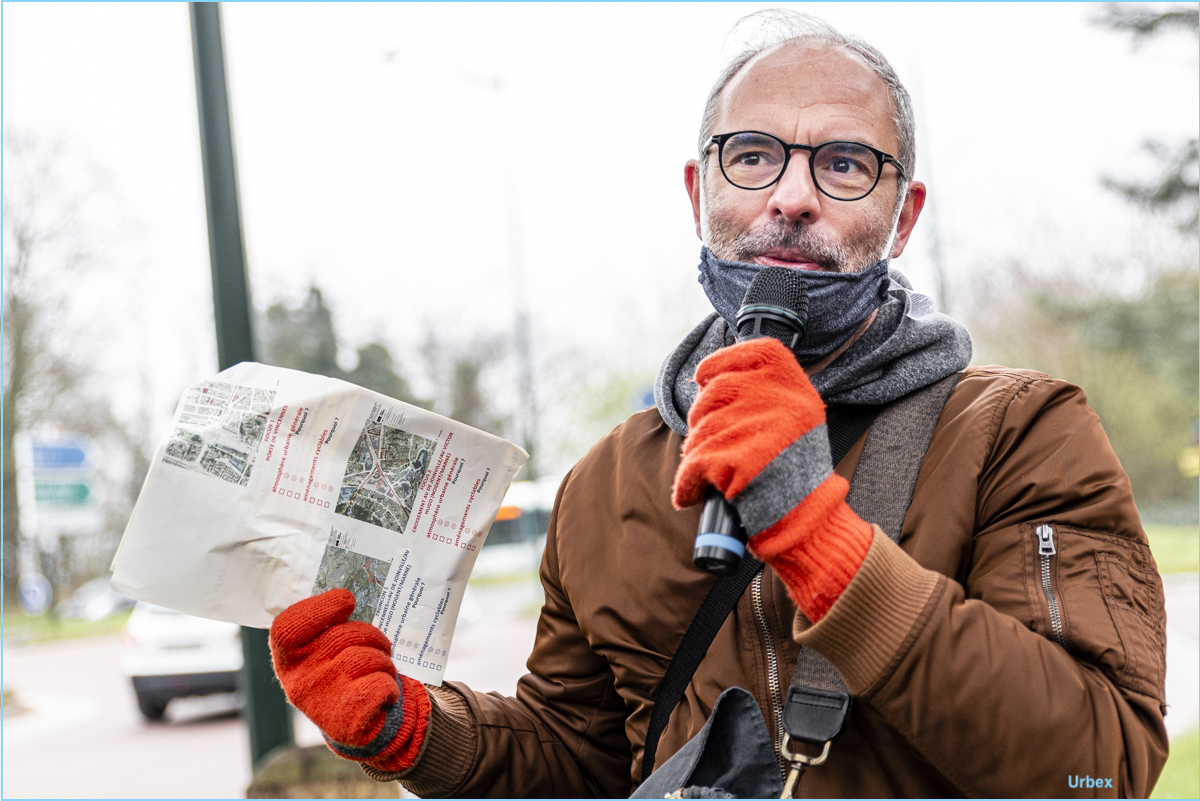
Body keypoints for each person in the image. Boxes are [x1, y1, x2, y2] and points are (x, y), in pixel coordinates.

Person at [267, 12, 1169, 797]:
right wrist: (421, 735)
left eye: (845, 164)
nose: (791, 197)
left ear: (904, 215)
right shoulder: (602, 482)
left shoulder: (1021, 432)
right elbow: (585, 760)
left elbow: (1099, 769)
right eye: (752, 156)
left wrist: (828, 546)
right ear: (701, 195)